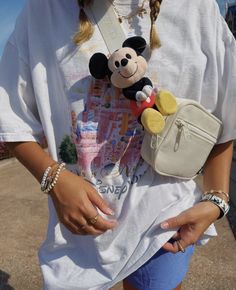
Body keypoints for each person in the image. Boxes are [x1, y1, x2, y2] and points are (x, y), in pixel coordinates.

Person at [0, 0, 235, 289]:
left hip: (163, 224)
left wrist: (217, 199)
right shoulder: (43, 11)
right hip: (78, 234)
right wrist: (53, 179)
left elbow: (227, 109)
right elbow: (10, 115)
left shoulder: (195, 7)